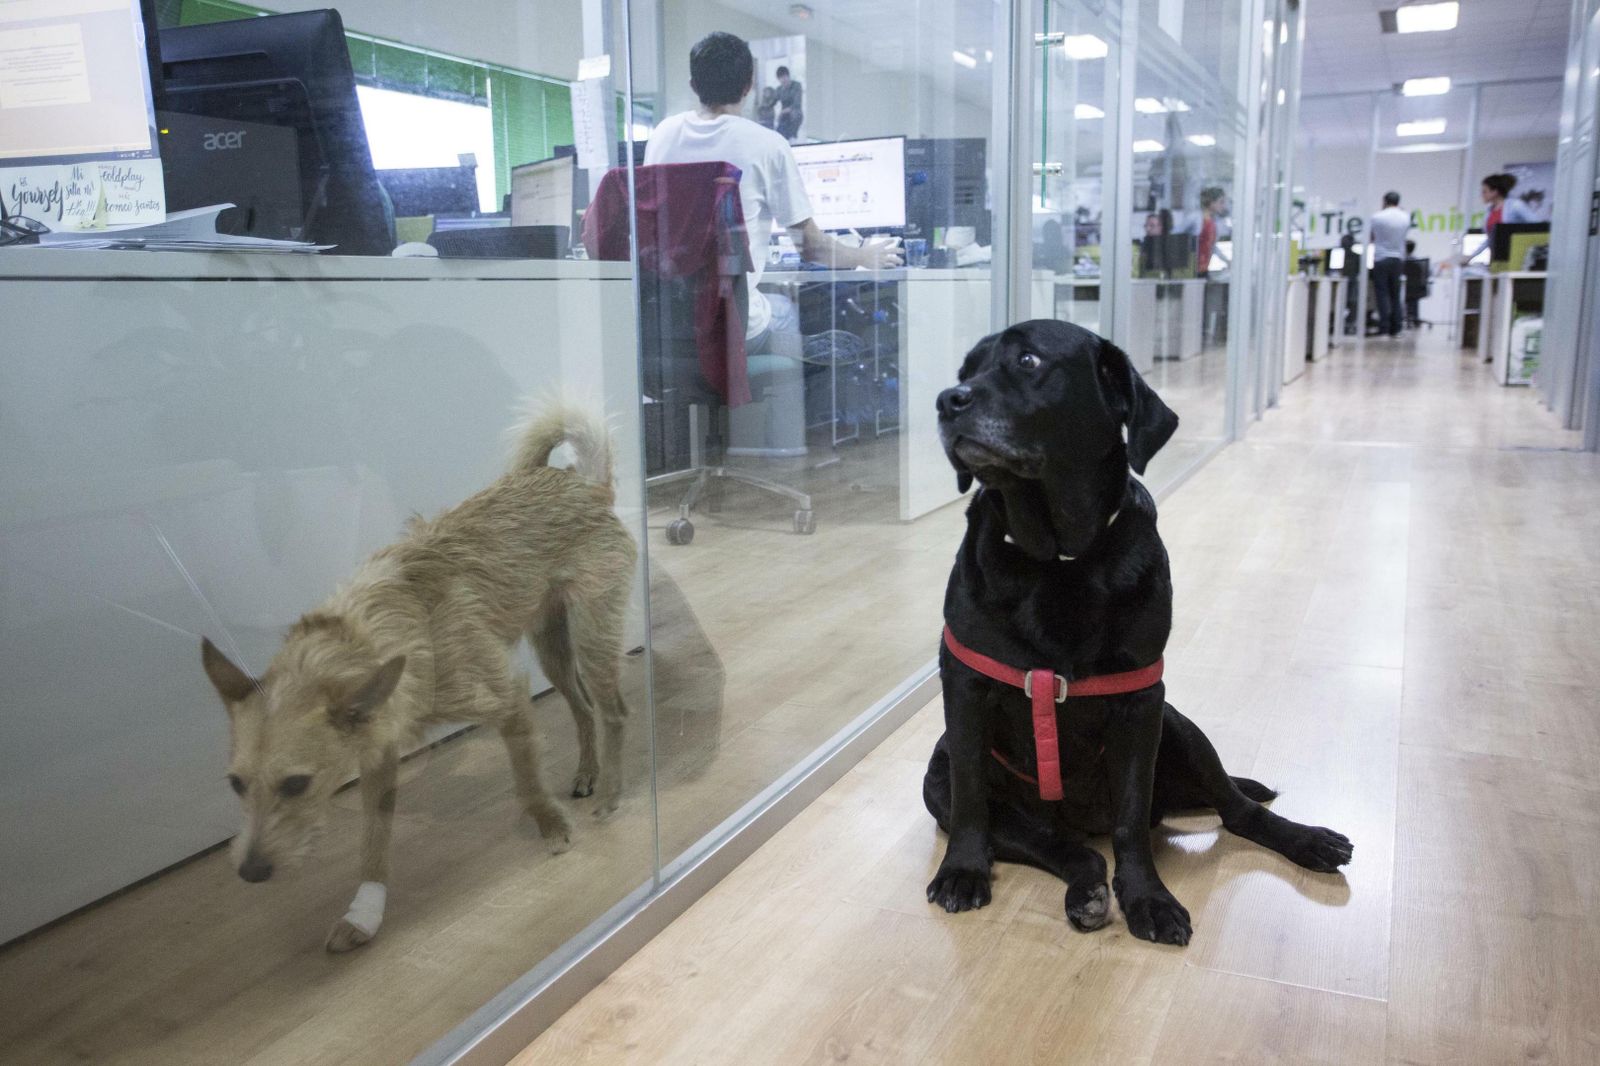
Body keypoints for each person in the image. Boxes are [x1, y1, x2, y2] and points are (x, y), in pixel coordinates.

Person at [644, 33, 900, 356]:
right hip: (732, 328)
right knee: (785, 309)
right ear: (749, 85)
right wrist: (865, 256)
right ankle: (771, 400)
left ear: (694, 84)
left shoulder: (662, 136)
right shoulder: (766, 145)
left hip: (669, 326)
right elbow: (811, 248)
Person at [1367, 190, 1410, 338]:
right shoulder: (1405, 217)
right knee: (1395, 295)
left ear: (1384, 201)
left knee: (1382, 294)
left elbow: (1371, 237)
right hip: (1397, 259)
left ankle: (1384, 327)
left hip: (1380, 258)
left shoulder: (1377, 217)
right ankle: (1397, 328)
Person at [1481, 172, 1534, 244]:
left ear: (1495, 192)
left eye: (1484, 192)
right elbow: (1490, 240)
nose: (1482, 195)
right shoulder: (1489, 211)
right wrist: (1472, 255)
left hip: (1515, 251)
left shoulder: (1515, 205)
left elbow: (1538, 226)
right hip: (1497, 253)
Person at [1197, 187, 1226, 277]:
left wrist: (1226, 260)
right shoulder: (1199, 220)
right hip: (1195, 269)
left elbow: (1211, 246)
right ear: (1212, 203)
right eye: (1221, 202)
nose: (1223, 206)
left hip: (1203, 268)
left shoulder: (1211, 222)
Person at [1339, 232, 1361, 334]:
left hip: (1351, 283)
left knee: (1352, 302)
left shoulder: (1356, 257)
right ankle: (1348, 323)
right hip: (1345, 283)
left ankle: (1349, 323)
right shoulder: (1340, 256)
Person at [774, 65, 804, 141]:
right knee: (779, 134)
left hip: (795, 113)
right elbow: (773, 101)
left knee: (794, 114)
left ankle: (793, 136)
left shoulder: (797, 85)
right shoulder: (779, 89)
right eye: (780, 78)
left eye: (784, 77)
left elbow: (797, 103)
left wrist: (782, 112)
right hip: (784, 117)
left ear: (788, 76)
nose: (783, 80)